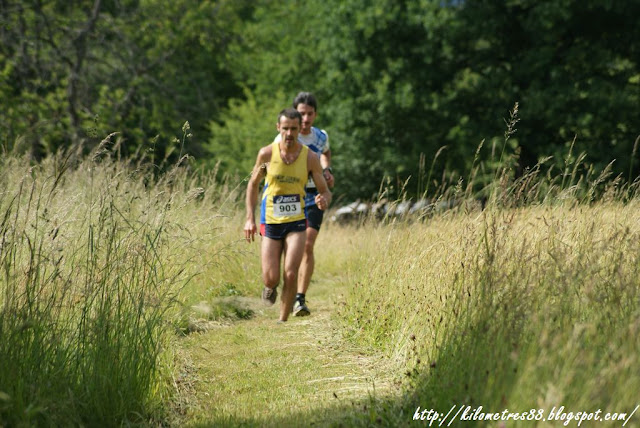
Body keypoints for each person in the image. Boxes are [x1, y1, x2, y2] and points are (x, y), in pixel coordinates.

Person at [245, 108, 332, 322]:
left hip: (296, 222)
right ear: (278, 128)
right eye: (285, 128)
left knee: (291, 272)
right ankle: (270, 286)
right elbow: (253, 184)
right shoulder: (266, 154)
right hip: (271, 221)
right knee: (271, 277)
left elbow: (325, 190)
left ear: (299, 129)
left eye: (294, 128)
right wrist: (249, 218)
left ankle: (282, 321)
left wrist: (324, 199)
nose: (290, 133)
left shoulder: (310, 157)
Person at [274, 92, 334, 316]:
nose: (306, 119)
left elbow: (326, 153)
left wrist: (327, 171)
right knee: (290, 247)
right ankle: (286, 290)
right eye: (301, 114)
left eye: (310, 114)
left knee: (308, 244)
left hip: (313, 195)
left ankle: (300, 299)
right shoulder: (286, 137)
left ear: (315, 115)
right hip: (289, 197)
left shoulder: (320, 136)